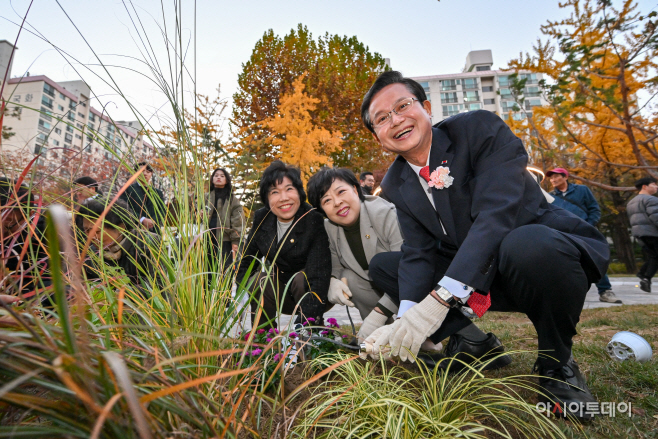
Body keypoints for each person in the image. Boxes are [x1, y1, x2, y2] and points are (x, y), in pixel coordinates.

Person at [360, 71, 609, 419]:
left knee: (528, 244)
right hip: (480, 278)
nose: (396, 119)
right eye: (382, 119)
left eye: (403, 105)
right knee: (387, 266)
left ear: (427, 107)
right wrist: (406, 321)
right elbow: (418, 254)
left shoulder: (478, 129)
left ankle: (557, 363)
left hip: (535, 255)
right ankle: (472, 340)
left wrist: (437, 303)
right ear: (379, 139)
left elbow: (497, 215)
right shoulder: (396, 181)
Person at [307, 168, 403, 341]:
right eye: (327, 200)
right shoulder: (329, 228)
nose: (337, 202)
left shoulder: (384, 213)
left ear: (355, 189)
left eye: (341, 191)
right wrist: (331, 281)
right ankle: (381, 334)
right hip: (377, 288)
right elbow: (335, 266)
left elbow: (409, 270)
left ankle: (423, 330)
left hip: (412, 287)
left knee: (381, 265)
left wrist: (377, 316)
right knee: (347, 277)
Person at [236, 161, 331, 329]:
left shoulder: (312, 219)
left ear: (299, 193)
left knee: (301, 278)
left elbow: (318, 273)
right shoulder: (262, 218)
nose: (284, 198)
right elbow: (247, 261)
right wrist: (240, 295)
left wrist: (307, 321)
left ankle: (310, 336)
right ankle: (263, 342)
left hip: (312, 291)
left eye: (289, 189)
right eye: (275, 192)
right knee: (260, 279)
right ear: (267, 198)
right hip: (278, 292)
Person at [547, 167, 621, 304]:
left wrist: (589, 225)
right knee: (563, 262)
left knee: (594, 259)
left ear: (565, 177)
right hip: (563, 233)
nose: (553, 180)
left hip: (584, 231)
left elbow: (594, 209)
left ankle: (605, 291)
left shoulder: (582, 190)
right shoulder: (550, 197)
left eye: (556, 176)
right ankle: (566, 296)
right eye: (551, 178)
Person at [76, 198, 164, 294]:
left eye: (97, 231)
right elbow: (76, 283)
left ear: (120, 227)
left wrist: (119, 294)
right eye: (87, 230)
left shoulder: (147, 243)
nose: (90, 237)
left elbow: (158, 285)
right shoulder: (91, 253)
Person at [204, 168, 245, 268]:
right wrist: (199, 214)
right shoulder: (205, 197)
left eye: (222, 176)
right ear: (212, 179)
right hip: (206, 240)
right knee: (206, 271)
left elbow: (238, 221)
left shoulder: (232, 199)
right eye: (216, 175)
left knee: (224, 270)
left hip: (225, 241)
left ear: (226, 180)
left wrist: (235, 241)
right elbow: (194, 214)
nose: (219, 177)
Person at [627, 177, 658, 293]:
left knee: (654, 256)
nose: (656, 186)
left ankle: (645, 276)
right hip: (653, 233)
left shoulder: (631, 202)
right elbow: (656, 217)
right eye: (654, 184)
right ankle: (645, 276)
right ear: (645, 186)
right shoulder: (651, 200)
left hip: (640, 234)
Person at [120, 162, 165, 232]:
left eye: (148, 172)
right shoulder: (127, 190)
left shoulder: (158, 192)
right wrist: (142, 219)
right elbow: (123, 208)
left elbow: (162, 210)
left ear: (151, 174)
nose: (145, 174)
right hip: (133, 230)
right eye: (142, 171)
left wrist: (153, 221)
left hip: (154, 231)